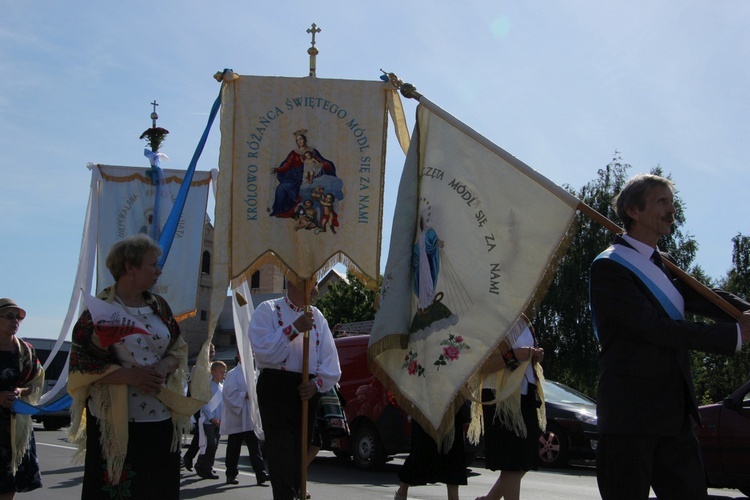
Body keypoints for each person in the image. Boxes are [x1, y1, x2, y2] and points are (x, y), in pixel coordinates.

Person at [589, 174, 750, 500]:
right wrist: (733, 334)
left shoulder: (665, 263)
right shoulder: (609, 268)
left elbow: (708, 297)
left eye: (671, 203)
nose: (671, 210)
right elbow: (653, 329)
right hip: (629, 415)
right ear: (634, 211)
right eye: (662, 202)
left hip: (673, 414)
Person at [68, 234, 197, 500]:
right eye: (152, 264)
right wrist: (131, 376)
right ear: (130, 267)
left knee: (156, 490)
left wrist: (162, 367)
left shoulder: (159, 306)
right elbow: (82, 362)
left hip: (160, 419)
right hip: (115, 420)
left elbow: (179, 347)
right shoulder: (99, 311)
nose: (159, 271)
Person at [248, 272, 341, 500]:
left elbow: (331, 362)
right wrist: (295, 328)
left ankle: (297, 492)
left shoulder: (318, 317)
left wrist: (317, 384)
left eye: (316, 283)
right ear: (291, 282)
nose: (315, 289)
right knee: (281, 455)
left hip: (306, 390)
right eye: (310, 283)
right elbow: (263, 350)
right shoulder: (268, 310)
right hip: (276, 388)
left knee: (300, 455)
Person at [472, 315, 545, 500]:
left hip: (525, 394)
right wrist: (513, 357)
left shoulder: (524, 320)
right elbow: (479, 364)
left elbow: (522, 358)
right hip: (500, 397)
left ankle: (489, 499)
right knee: (513, 464)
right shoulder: (492, 316)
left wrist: (535, 356)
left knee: (524, 460)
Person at [0, 299, 43, 498]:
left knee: (10, 482)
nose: (15, 321)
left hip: (16, 427)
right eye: (9, 316)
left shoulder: (26, 351)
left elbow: (35, 383)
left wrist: (19, 391)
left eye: (18, 317)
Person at [394, 404, 470, 500]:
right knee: (420, 454)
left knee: (453, 456)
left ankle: (402, 493)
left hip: (450, 409)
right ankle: (402, 493)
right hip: (428, 409)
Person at [220, 353, 269, 486]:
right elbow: (228, 395)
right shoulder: (232, 374)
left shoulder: (254, 373)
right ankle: (231, 474)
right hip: (237, 417)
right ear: (239, 355)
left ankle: (260, 474)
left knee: (255, 447)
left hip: (250, 417)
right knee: (234, 448)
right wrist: (244, 395)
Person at [270, 131, 336, 218]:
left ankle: (296, 211)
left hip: (308, 177)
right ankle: (279, 210)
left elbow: (321, 161)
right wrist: (278, 169)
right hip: (294, 177)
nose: (299, 141)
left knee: (301, 189)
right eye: (297, 140)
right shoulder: (294, 153)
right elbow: (287, 165)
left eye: (301, 139)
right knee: (281, 187)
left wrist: (323, 165)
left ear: (305, 139)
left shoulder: (312, 151)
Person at [182, 342, 215, 472]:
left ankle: (200, 461)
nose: (211, 354)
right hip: (199, 404)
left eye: (213, 351)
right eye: (209, 351)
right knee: (202, 434)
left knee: (207, 436)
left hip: (212, 404)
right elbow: (194, 387)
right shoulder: (198, 367)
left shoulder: (214, 366)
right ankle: (196, 460)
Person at [194, 360, 226, 480]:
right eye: (221, 371)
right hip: (209, 421)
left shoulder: (222, 387)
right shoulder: (207, 386)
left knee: (215, 445)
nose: (223, 374)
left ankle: (208, 467)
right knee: (210, 443)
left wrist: (222, 420)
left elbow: (223, 405)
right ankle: (201, 465)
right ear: (213, 372)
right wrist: (211, 418)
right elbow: (204, 403)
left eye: (224, 371)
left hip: (218, 421)